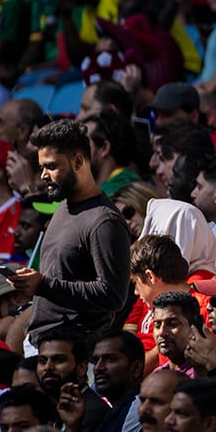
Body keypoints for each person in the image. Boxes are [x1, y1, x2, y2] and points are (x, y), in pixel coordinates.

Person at [11, 120, 130, 346]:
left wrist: (43, 286)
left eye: (52, 166)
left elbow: (113, 295)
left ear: (78, 161)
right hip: (41, 343)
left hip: (74, 354)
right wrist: (31, 285)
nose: (44, 175)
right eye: (41, 167)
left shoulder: (104, 221)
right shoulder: (62, 209)